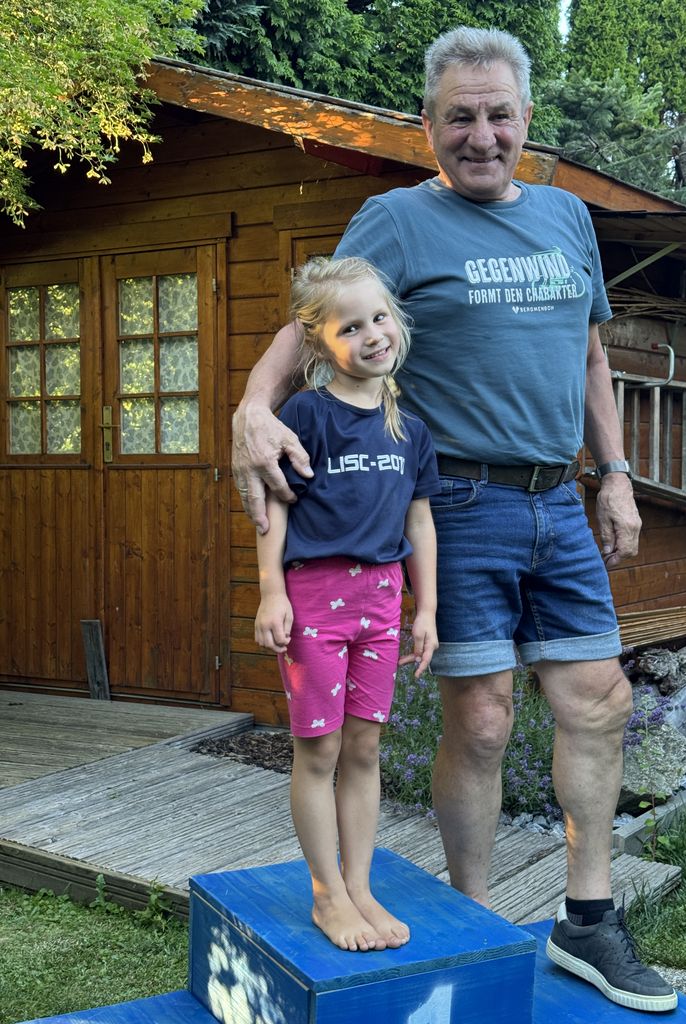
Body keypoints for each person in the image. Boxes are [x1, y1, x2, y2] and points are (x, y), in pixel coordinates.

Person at [234, 26, 677, 1011]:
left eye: (499, 115)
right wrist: (254, 406)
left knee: (599, 699)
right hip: (459, 501)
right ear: (428, 126)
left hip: (557, 499)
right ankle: (475, 920)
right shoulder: (397, 219)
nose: (482, 135)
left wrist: (615, 475)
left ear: (527, 120)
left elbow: (591, 356)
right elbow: (312, 322)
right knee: (480, 719)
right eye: (461, 117)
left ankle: (588, 919)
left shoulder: (567, 217)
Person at [254, 256, 439, 953]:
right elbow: (275, 504)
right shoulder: (306, 413)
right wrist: (271, 591)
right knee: (320, 748)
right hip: (315, 600)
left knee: (364, 746)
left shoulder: (410, 430)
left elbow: (420, 522)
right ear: (318, 342)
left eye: (379, 318)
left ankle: (360, 886)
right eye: (350, 327)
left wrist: (426, 610)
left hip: (383, 601)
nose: (371, 335)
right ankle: (327, 893)